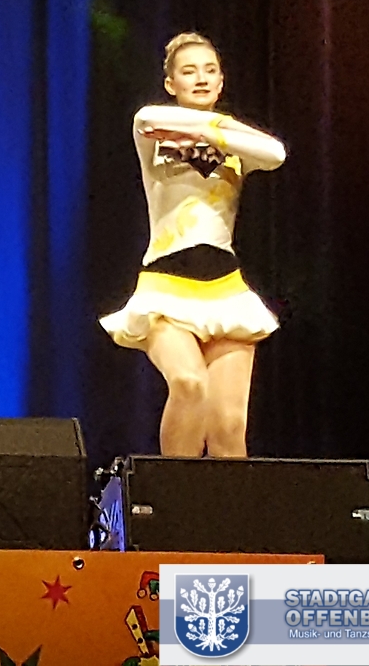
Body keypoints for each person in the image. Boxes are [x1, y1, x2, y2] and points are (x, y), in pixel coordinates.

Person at [101, 33, 286, 458]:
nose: (201, 79)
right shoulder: (154, 129)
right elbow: (145, 117)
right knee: (189, 383)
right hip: (166, 286)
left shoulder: (234, 141)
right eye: (188, 71)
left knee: (228, 427)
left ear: (221, 82)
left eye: (210, 70)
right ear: (171, 84)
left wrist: (218, 129)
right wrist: (221, 129)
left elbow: (275, 153)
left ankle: (231, 503)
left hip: (226, 289)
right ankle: (170, 495)